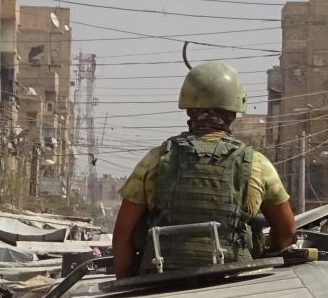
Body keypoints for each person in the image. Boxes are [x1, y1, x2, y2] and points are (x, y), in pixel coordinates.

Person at [112, 61, 296, 276]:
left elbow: (122, 238)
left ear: (189, 109)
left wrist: (127, 289)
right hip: (237, 281)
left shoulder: (156, 159)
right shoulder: (257, 163)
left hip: (160, 281)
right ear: (233, 112)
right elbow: (286, 232)